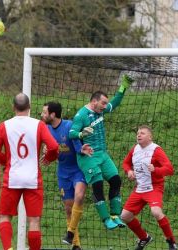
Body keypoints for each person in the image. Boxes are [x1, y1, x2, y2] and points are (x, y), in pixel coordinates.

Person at [0, 93, 59, 250]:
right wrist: (48, 158)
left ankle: (8, 248)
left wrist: (7, 161)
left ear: (13, 108)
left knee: (5, 216)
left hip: (12, 177)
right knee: (33, 220)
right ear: (29, 107)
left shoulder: (4, 125)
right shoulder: (39, 125)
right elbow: (54, 147)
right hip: (33, 179)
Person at [68, 74, 133, 230]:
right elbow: (71, 133)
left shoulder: (101, 110)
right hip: (88, 156)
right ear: (94, 101)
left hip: (102, 155)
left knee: (116, 180)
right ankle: (106, 219)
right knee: (97, 185)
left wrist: (123, 87)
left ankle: (115, 215)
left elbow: (115, 103)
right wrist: (81, 134)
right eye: (103, 103)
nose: (105, 106)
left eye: (105, 104)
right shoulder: (81, 115)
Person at [41, 101, 93, 250]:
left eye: (44, 112)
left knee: (80, 196)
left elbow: (78, 144)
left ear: (52, 114)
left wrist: (82, 148)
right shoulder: (45, 129)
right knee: (68, 208)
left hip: (78, 169)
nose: (42, 115)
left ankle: (69, 233)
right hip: (63, 172)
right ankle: (76, 245)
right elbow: (50, 149)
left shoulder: (70, 126)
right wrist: (47, 155)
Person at [120, 125, 177, 250]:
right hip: (139, 188)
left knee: (156, 212)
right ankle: (144, 238)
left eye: (142, 133)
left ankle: (172, 242)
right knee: (125, 216)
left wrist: (155, 170)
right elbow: (126, 163)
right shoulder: (135, 149)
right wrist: (129, 171)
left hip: (154, 188)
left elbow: (169, 169)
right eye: (138, 133)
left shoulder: (156, 150)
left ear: (150, 137)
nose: (139, 135)